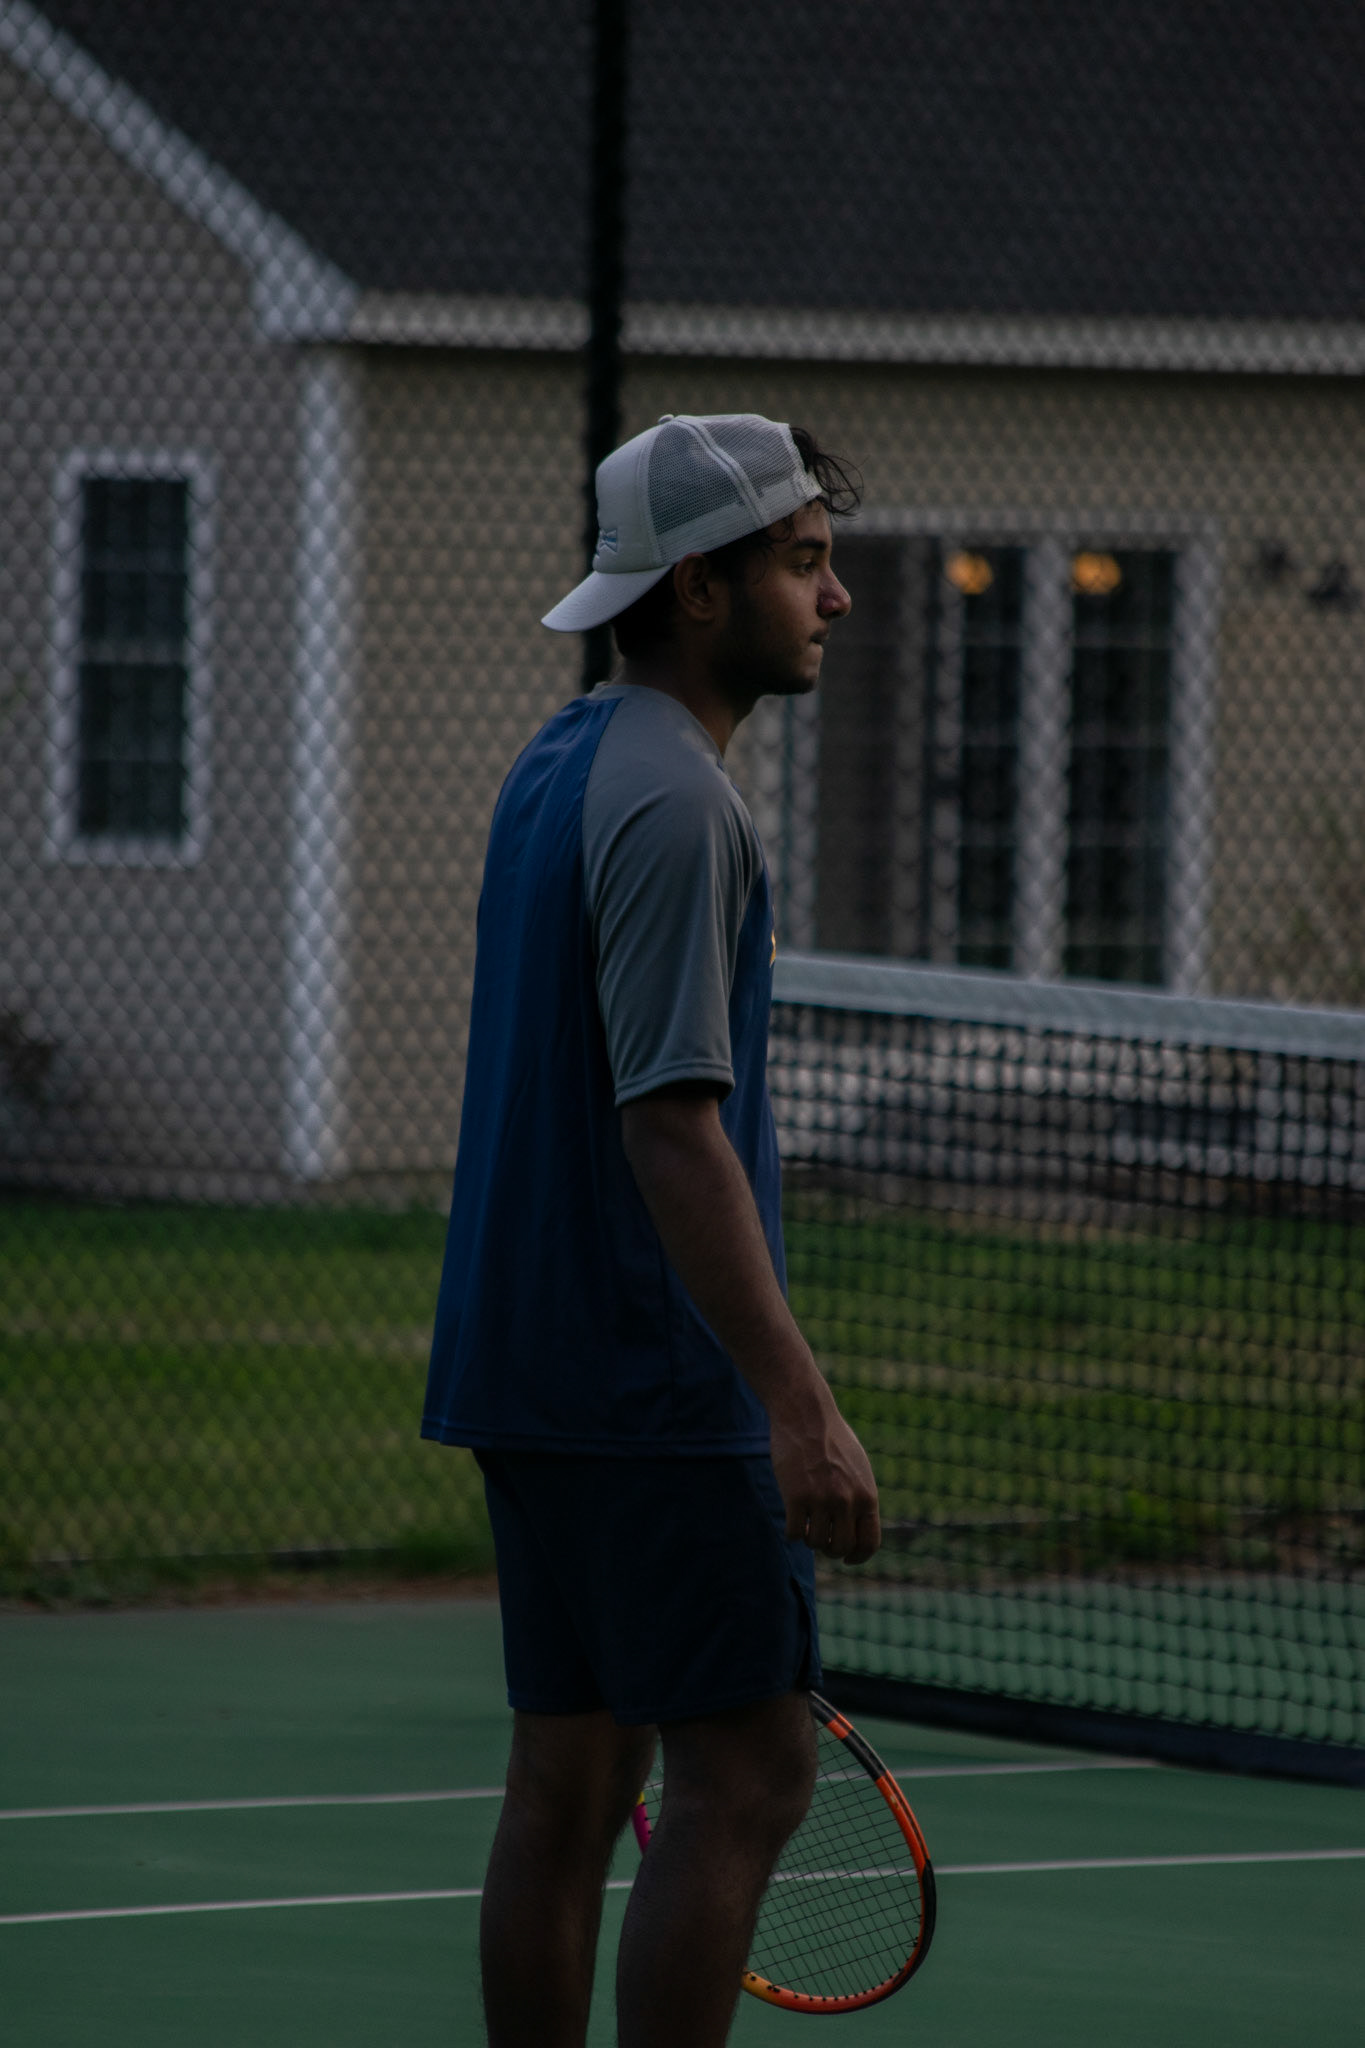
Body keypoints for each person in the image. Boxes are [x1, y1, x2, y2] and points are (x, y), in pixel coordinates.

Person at [422, 412, 881, 2047]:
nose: (835, 598)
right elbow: (670, 1126)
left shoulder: (557, 762)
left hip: (525, 1366)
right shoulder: (681, 805)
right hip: (649, 1386)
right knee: (749, 1772)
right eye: (803, 563)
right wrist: (796, 1407)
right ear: (697, 589)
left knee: (566, 1780)